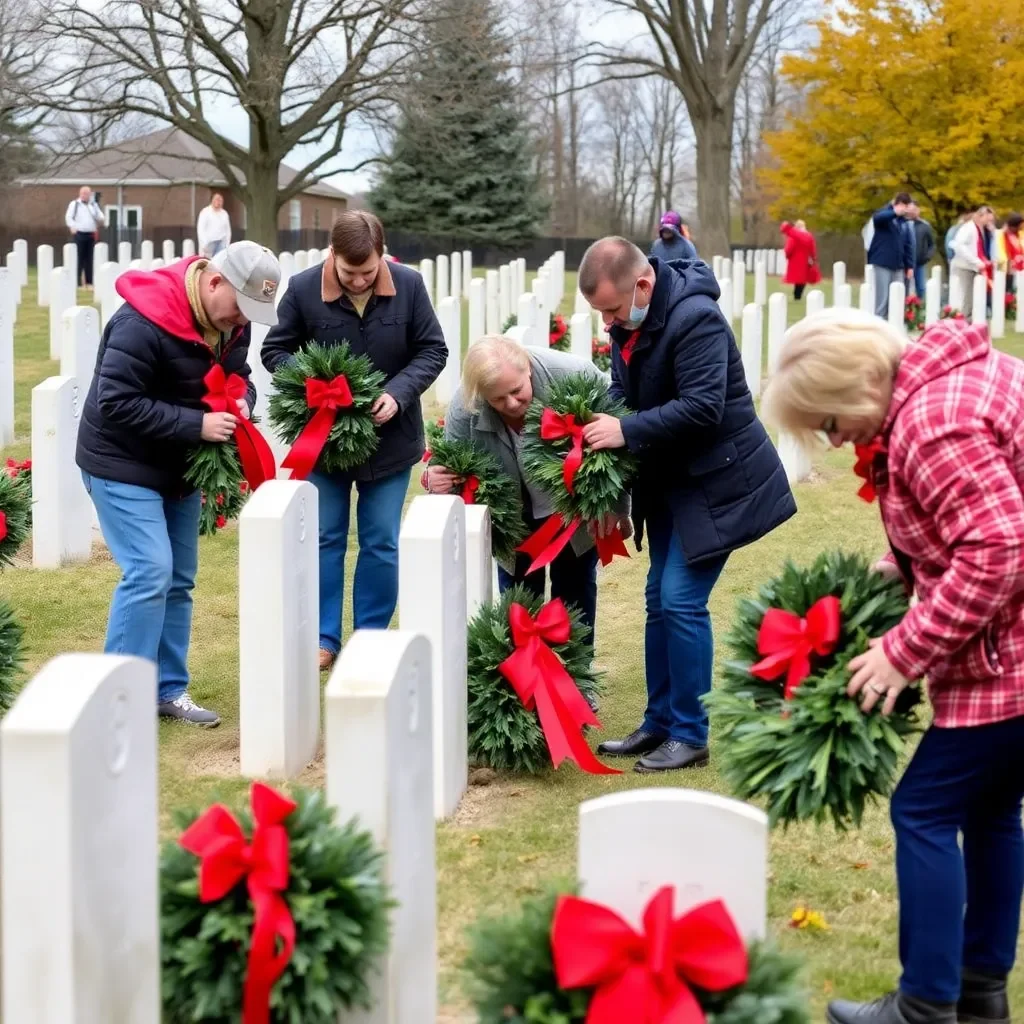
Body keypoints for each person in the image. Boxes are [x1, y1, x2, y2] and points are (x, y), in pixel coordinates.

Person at [762, 307, 1024, 1024]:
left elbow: (998, 548)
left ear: (855, 388)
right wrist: (892, 573)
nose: (832, 440)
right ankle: (979, 991)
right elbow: (971, 521)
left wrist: (904, 654)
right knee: (994, 807)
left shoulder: (931, 425)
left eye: (829, 422)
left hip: (1011, 662)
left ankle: (925, 1004)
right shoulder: (956, 379)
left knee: (925, 809)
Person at [576, 237, 796, 773]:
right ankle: (660, 722)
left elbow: (702, 407)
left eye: (610, 309)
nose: (606, 323)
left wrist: (624, 429)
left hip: (717, 483)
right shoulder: (631, 324)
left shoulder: (696, 319)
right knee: (657, 599)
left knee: (679, 600)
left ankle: (691, 734)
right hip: (671, 483)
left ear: (643, 286)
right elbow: (624, 391)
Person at [76, 240, 282, 726]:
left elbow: (237, 375)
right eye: (239, 307)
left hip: (179, 466)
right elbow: (116, 401)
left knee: (180, 578)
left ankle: (167, 690)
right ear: (214, 282)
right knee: (150, 571)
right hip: (119, 462)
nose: (241, 321)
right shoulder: (140, 322)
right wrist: (197, 426)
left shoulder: (233, 324)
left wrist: (242, 402)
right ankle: (117, 697)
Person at [261, 211, 446, 671]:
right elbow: (274, 351)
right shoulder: (304, 289)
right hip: (325, 440)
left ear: (382, 255)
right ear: (332, 256)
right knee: (326, 537)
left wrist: (398, 393)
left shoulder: (410, 285)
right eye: (349, 272)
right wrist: (313, 383)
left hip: (392, 439)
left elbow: (433, 349)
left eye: (368, 271)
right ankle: (325, 637)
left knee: (381, 539)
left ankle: (371, 635)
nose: (360, 281)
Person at [426, 335, 630, 646]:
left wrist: (616, 505)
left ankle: (577, 686)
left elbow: (618, 441)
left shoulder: (575, 374)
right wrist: (433, 478)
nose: (510, 404)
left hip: (573, 511)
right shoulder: (464, 407)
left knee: (574, 595)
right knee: (519, 604)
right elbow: (449, 467)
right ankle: (525, 686)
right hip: (513, 518)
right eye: (497, 399)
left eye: (516, 391)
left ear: (529, 370)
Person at [867, 192, 915, 318]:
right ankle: (879, 323)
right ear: (898, 204)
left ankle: (894, 323)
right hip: (882, 262)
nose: (905, 210)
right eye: (904, 206)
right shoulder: (884, 215)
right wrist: (894, 212)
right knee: (882, 299)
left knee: (897, 298)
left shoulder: (903, 222)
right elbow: (878, 218)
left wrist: (909, 265)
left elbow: (907, 244)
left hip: (898, 265)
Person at [950, 205, 995, 318]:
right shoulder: (968, 228)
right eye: (987, 219)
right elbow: (960, 246)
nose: (988, 222)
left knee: (973, 296)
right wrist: (975, 261)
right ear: (980, 216)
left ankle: (969, 318)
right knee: (967, 296)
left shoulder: (980, 229)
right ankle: (965, 319)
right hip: (966, 266)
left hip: (973, 266)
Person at [65, 185, 105, 290]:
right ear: (80, 194)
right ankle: (78, 283)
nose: (84, 195)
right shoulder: (75, 205)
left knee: (89, 259)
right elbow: (68, 217)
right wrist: (72, 227)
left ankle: (89, 282)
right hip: (79, 234)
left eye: (86, 194)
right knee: (79, 258)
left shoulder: (93, 205)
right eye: (83, 193)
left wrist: (98, 214)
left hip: (90, 234)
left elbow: (100, 216)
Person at [780, 219, 821, 300]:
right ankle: (799, 294)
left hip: (795, 260)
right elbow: (813, 249)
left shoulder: (794, 236)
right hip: (806, 260)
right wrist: (813, 258)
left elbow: (789, 249)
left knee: (797, 279)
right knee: (802, 279)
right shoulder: (809, 236)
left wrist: (787, 255)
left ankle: (796, 295)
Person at [906, 202, 935, 298]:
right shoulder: (903, 224)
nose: (912, 212)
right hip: (905, 264)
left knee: (921, 288)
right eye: (910, 210)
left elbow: (931, 245)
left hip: (919, 263)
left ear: (918, 210)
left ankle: (921, 309)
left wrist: (926, 257)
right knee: (904, 288)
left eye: (914, 210)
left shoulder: (925, 226)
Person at [995, 212, 1023, 294]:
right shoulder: (1002, 234)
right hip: (1005, 266)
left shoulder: (1019, 235)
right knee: (1006, 287)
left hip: (1018, 267)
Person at [197, 193, 232, 258]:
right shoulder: (205, 212)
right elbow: (201, 230)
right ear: (212, 200)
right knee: (209, 264)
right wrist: (204, 245)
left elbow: (228, 230)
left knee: (219, 263)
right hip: (209, 243)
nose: (218, 202)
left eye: (220, 200)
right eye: (216, 199)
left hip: (221, 243)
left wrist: (227, 245)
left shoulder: (224, 214)